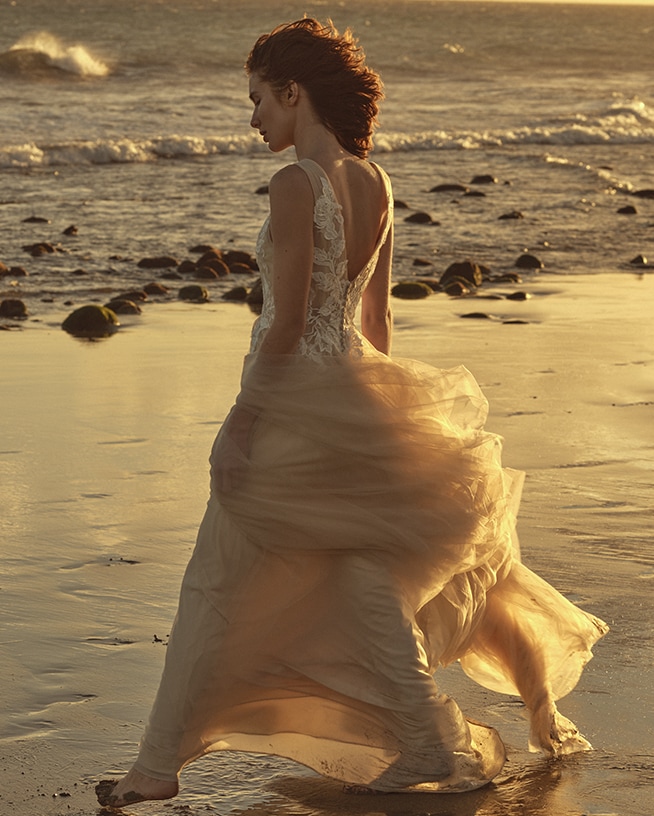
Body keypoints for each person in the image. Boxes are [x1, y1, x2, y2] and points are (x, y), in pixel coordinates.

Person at [96, 18, 608, 808]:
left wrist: (241, 422)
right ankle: (423, 735)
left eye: (259, 98)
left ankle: (162, 764)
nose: (254, 117)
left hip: (295, 399)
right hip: (356, 388)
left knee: (221, 581)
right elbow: (377, 325)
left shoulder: (296, 185)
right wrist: (377, 412)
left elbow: (290, 323)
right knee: (362, 575)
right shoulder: (374, 181)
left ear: (294, 92)